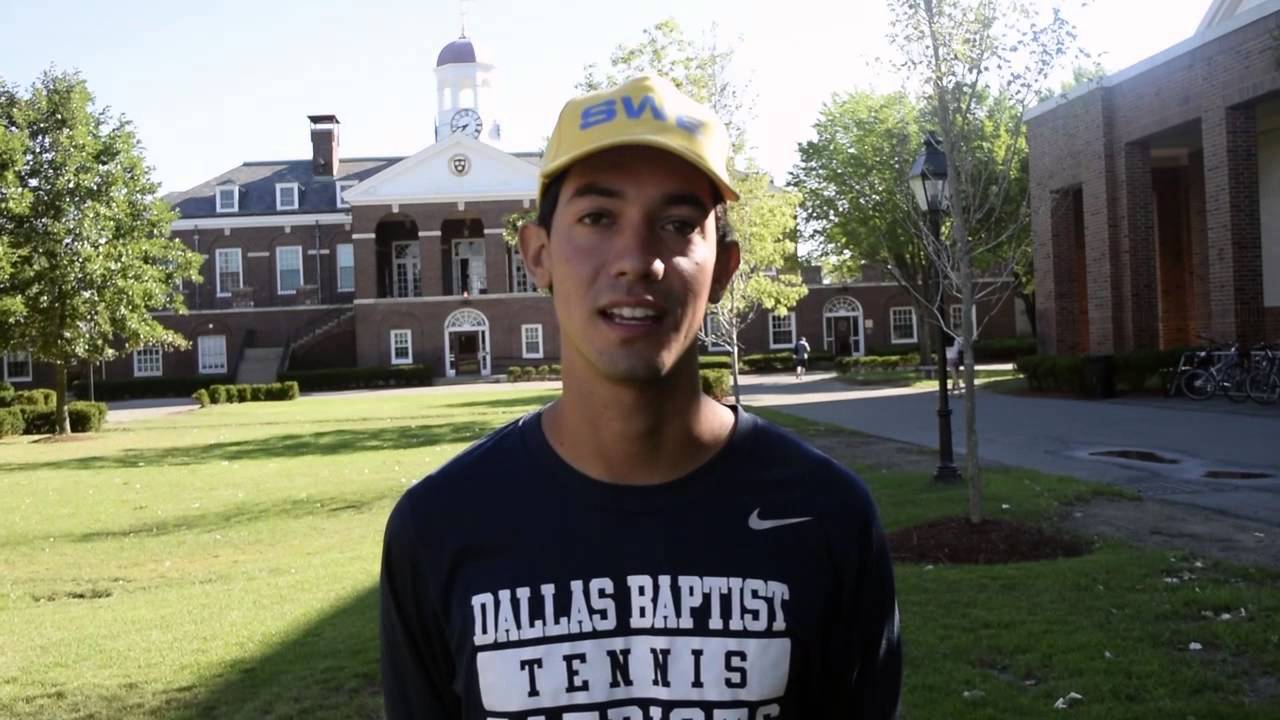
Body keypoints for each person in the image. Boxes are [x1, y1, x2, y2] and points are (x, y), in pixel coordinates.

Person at [379, 75, 901, 719]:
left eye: (678, 224)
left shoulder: (828, 517)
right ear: (537, 255)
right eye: (598, 217)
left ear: (725, 269)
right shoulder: (437, 527)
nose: (637, 259)